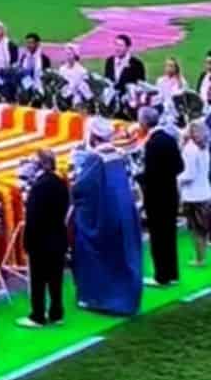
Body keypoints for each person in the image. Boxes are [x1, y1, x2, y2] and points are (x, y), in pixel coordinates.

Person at [70, 118, 143, 315]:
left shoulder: (93, 159)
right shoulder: (120, 154)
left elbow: (81, 188)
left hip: (100, 218)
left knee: (98, 259)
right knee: (123, 256)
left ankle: (100, 299)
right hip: (125, 215)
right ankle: (126, 297)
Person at [18, 149, 70, 328]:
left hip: (41, 241)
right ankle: (56, 313)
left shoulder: (39, 187)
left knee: (38, 280)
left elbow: (33, 218)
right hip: (58, 236)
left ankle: (37, 315)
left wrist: (27, 242)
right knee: (56, 279)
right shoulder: (60, 182)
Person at [139, 106, 184, 287]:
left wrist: (138, 177)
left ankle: (162, 276)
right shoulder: (169, 139)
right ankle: (171, 273)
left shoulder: (152, 144)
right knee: (169, 236)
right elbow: (179, 166)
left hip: (157, 198)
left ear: (144, 123)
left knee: (158, 237)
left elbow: (151, 174)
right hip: (171, 194)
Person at [180, 120, 211, 268]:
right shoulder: (204, 147)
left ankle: (200, 259)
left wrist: (176, 179)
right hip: (205, 193)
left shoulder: (190, 149)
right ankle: (202, 256)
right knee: (203, 229)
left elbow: (189, 174)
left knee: (196, 230)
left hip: (193, 196)